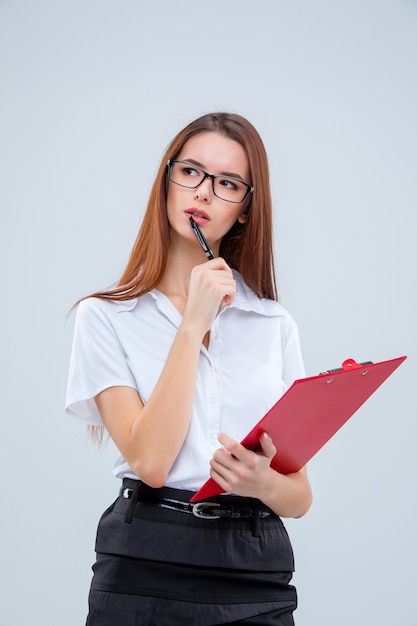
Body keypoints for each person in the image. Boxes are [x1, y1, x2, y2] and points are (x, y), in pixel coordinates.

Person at [66, 111, 313, 626]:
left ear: (245, 209)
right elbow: (152, 463)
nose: (202, 193)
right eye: (190, 172)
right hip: (145, 559)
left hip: (253, 562)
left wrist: (260, 482)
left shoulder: (273, 324)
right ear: (168, 182)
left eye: (227, 184)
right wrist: (191, 322)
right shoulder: (105, 317)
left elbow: (299, 496)